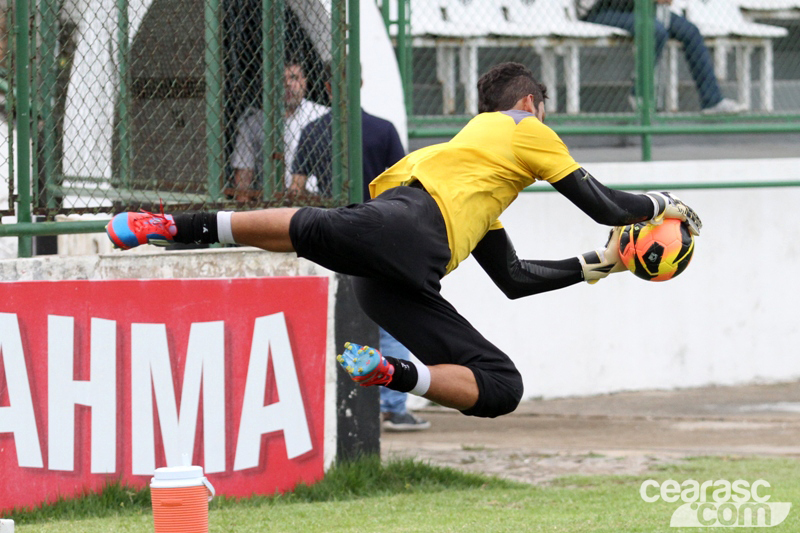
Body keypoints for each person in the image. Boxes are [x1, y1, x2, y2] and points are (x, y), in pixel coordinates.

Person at [106, 62, 702, 420]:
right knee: (316, 227)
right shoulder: (523, 127)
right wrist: (668, 205)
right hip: (408, 231)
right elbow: (606, 204)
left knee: (502, 386)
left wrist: (598, 264)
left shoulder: (468, 177)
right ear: (527, 104)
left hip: (398, 273)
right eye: (543, 111)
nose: (548, 125)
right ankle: (174, 226)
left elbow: (515, 281)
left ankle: (392, 374)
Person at [292, 65, 430, 431]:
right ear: (362, 83)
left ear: (325, 87)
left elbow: (295, 188)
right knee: (393, 319)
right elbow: (406, 186)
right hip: (381, 232)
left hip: (333, 232)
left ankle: (339, 403)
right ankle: (393, 405)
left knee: (337, 318)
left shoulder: (314, 131)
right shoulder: (382, 130)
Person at [577, 0, 745, 114]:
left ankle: (712, 101)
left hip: (638, 8)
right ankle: (641, 92)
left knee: (690, 32)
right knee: (655, 30)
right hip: (600, 10)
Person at [229, 59, 327, 202]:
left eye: (294, 78)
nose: (287, 84)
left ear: (305, 82)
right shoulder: (254, 123)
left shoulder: (321, 117)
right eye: (281, 79)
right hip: (268, 204)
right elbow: (243, 178)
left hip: (313, 204)